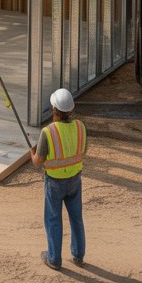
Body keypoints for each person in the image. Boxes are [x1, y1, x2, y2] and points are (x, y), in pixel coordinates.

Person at [30, 88, 86, 270]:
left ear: (54, 109)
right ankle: (78, 255)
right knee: (76, 217)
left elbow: (38, 162)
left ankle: (54, 259)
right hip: (75, 180)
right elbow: (82, 150)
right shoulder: (80, 126)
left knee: (53, 219)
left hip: (55, 182)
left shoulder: (48, 132)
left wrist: (33, 154)